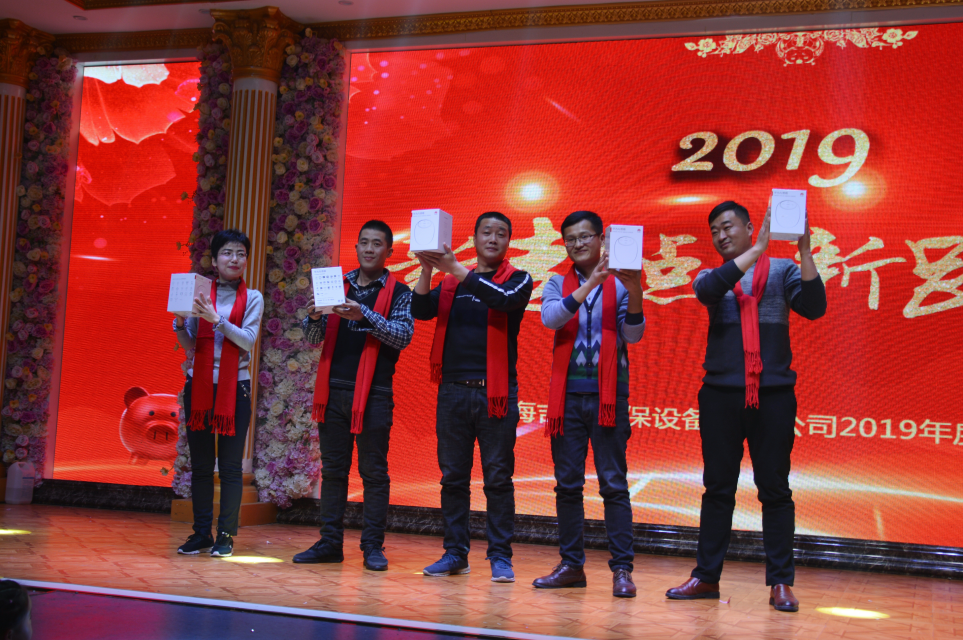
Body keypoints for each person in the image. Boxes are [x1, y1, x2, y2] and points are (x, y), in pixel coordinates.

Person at [665, 201, 826, 612]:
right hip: (720, 394)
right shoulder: (710, 275)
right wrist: (756, 250)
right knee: (718, 488)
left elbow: (814, 307)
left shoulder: (784, 271)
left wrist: (805, 250)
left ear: (751, 226)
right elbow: (708, 292)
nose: (721, 235)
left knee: (775, 490)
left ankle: (781, 582)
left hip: (773, 395)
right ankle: (705, 577)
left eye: (728, 227)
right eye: (715, 231)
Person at [411, 211, 533, 583]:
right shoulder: (451, 284)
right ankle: (455, 554)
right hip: (452, 391)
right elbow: (420, 310)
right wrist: (428, 270)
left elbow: (502, 300)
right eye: (486, 232)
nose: (493, 239)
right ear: (475, 238)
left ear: (508, 241)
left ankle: (500, 557)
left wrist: (456, 269)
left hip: (496, 394)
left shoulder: (518, 280)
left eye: (501, 234)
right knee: (453, 478)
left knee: (497, 478)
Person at [533, 210, 645, 598]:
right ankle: (571, 566)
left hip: (608, 398)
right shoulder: (555, 283)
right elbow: (551, 318)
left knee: (614, 484)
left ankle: (622, 570)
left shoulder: (622, 282)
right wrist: (589, 284)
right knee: (568, 485)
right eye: (571, 238)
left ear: (601, 240)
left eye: (585, 236)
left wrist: (635, 290)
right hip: (566, 399)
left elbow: (633, 334)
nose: (578, 244)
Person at [292, 220, 414, 571]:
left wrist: (364, 315)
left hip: (374, 394)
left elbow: (402, 336)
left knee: (374, 473)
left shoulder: (400, 292)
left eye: (377, 244)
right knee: (333, 472)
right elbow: (314, 339)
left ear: (389, 251)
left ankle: (372, 546)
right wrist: (314, 316)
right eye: (364, 243)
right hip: (332, 392)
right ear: (356, 247)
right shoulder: (336, 284)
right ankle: (330, 542)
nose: (369, 249)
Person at [173, 228, 264, 558]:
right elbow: (190, 345)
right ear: (214, 260)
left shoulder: (253, 297)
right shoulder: (199, 292)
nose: (234, 259)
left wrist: (216, 320)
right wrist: (180, 323)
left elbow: (248, 341)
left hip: (234, 387)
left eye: (241, 254)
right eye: (227, 252)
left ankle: (225, 535)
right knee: (200, 466)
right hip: (198, 385)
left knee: (229, 467)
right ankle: (201, 533)